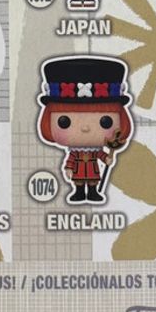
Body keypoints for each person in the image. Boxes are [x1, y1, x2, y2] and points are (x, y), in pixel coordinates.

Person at [37, 56, 133, 204]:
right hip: (79, 171)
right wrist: (68, 168)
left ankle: (93, 192)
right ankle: (79, 192)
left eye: (105, 122)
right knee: (79, 183)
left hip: (93, 170)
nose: (85, 128)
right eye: (64, 122)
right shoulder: (76, 152)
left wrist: (106, 159)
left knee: (93, 182)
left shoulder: (95, 151)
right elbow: (71, 160)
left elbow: (101, 155)